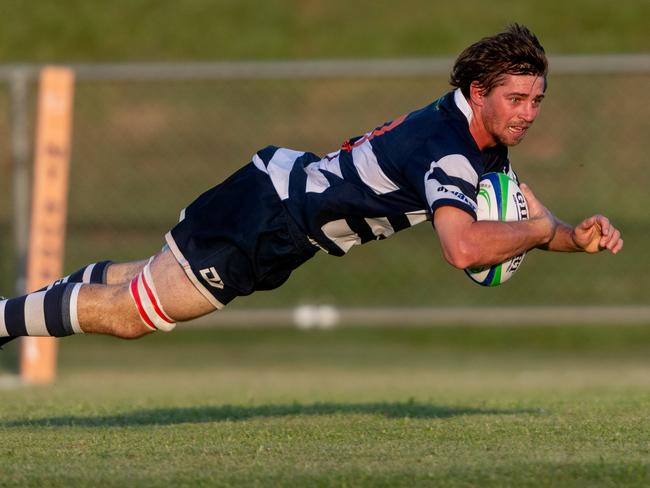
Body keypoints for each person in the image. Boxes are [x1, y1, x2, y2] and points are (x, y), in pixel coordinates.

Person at [0, 24, 623, 346]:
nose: (529, 113)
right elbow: (464, 247)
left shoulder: (471, 131)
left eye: (538, 100)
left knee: (143, 278)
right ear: (479, 94)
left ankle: (23, 308)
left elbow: (522, 215)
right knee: (137, 314)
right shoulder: (451, 154)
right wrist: (539, 230)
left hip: (275, 202)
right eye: (517, 99)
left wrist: (574, 235)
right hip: (269, 218)